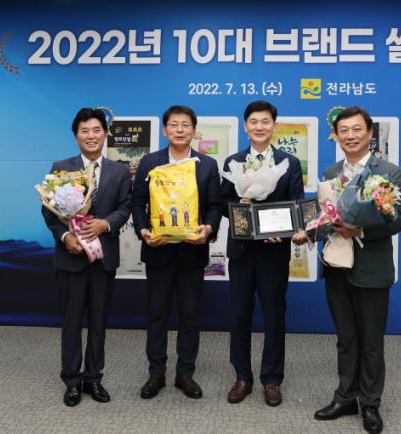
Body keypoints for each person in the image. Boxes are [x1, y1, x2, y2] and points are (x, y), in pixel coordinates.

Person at [314, 107, 401, 433]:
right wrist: (314, 228)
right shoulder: (330, 172)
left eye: (357, 129)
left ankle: (370, 403)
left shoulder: (389, 172)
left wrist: (361, 229)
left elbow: (399, 219)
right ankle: (345, 397)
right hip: (336, 266)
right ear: (336, 136)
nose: (350, 136)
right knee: (345, 338)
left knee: (371, 340)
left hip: (372, 268)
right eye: (344, 130)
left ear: (369, 133)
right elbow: (323, 217)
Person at [42, 108, 132, 407]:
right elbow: (48, 211)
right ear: (75, 135)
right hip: (71, 259)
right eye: (84, 131)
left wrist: (105, 224)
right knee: (71, 321)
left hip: (102, 258)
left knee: (98, 321)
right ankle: (71, 380)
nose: (91, 136)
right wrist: (65, 237)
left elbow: (125, 206)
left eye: (96, 130)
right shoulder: (61, 168)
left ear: (105, 134)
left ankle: (93, 378)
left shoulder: (120, 171)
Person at [132, 105, 222, 400]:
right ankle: (156, 373)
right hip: (158, 250)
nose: (180, 129)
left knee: (190, 316)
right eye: (174, 124)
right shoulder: (150, 162)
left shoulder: (206, 165)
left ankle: (185, 374)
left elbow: (215, 206)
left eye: (185, 125)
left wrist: (208, 229)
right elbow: (137, 202)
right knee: (157, 314)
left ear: (194, 131)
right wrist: (143, 230)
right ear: (164, 130)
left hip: (191, 252)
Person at [221, 100, 307, 407]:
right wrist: (241, 209)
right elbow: (222, 204)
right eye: (254, 122)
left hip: (274, 251)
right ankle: (242, 377)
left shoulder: (289, 162)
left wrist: (283, 230)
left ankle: (272, 379)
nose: (259, 126)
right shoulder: (233, 161)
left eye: (265, 121)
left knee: (274, 316)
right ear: (246, 126)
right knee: (239, 315)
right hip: (242, 251)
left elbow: (297, 204)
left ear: (274, 126)